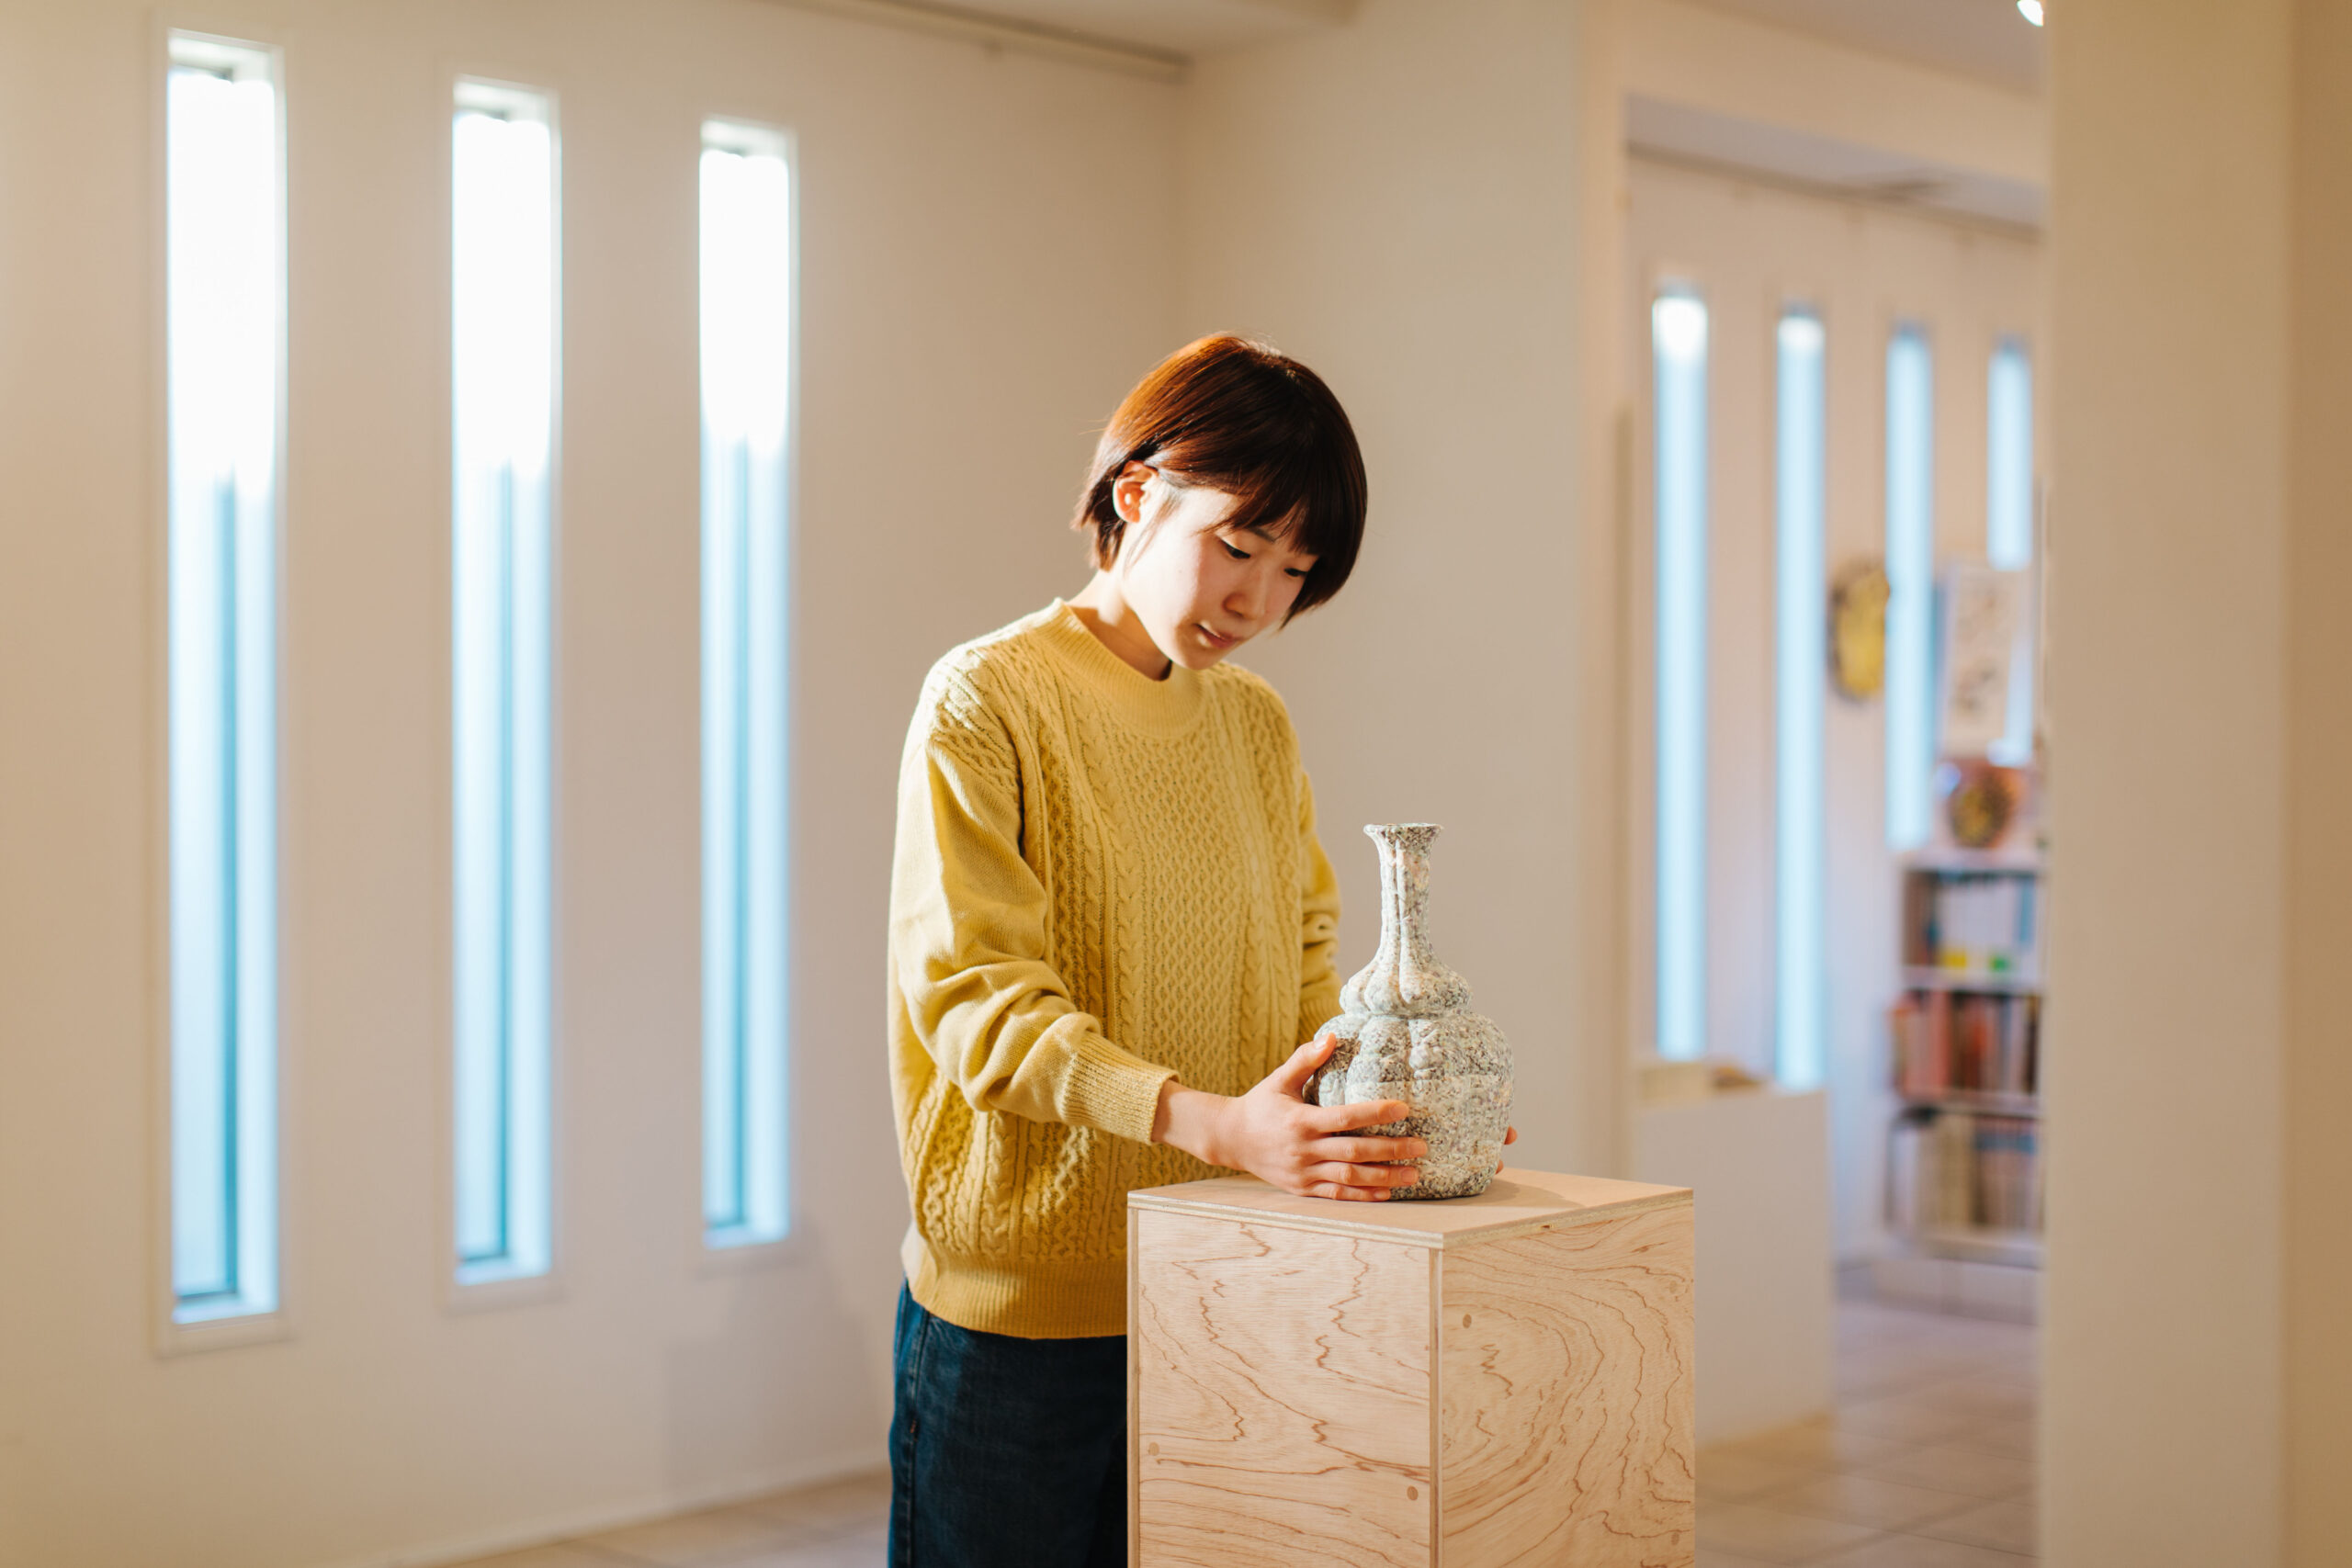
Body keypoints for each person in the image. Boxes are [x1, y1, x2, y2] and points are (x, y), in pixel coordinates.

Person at [886, 334, 1479, 1567]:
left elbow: (1306, 970)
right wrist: (1211, 1125)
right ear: (1138, 492)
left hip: (1222, 1285)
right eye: (1240, 544)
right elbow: (978, 1006)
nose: (1258, 600)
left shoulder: (1255, 728)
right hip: (1021, 1330)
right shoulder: (985, 699)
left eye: (1296, 569)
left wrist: (1384, 1108)